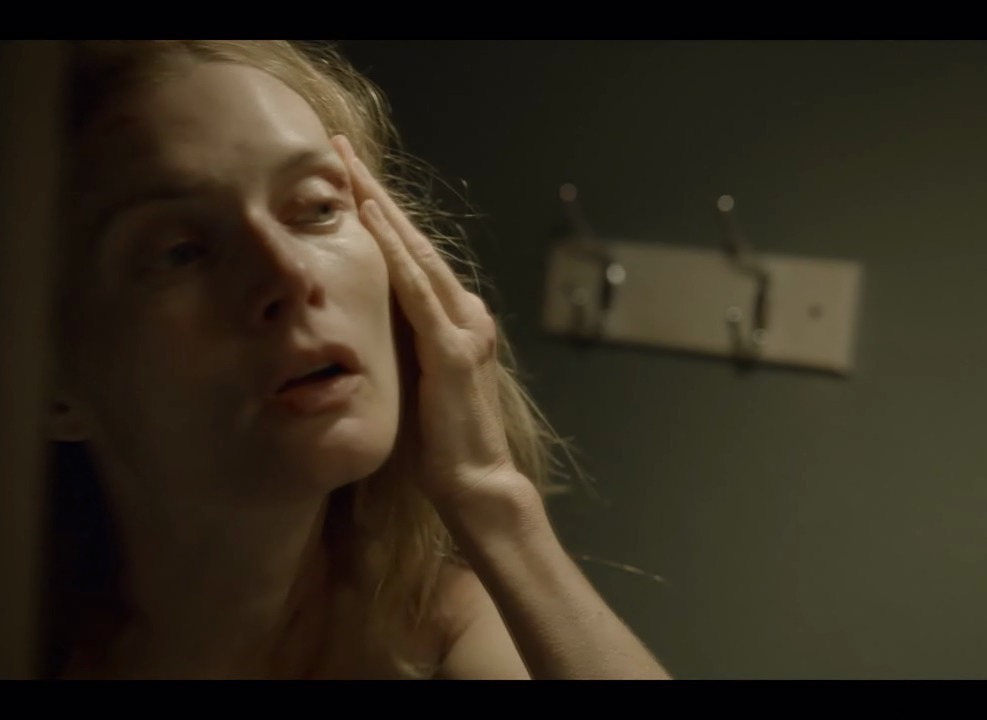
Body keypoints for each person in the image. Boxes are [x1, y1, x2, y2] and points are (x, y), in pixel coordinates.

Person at [41, 40, 670, 680]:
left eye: (317, 208)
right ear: (44, 379)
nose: (289, 275)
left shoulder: (445, 635)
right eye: (181, 250)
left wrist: (489, 493)